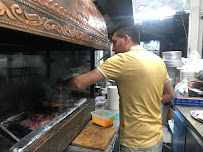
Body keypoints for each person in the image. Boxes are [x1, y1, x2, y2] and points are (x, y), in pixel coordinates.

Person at [56, 24, 175, 152]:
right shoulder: (158, 60)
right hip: (156, 139)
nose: (113, 48)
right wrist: (146, 102)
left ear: (126, 38)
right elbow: (170, 94)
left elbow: (79, 83)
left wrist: (62, 83)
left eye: (115, 42)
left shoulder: (121, 60)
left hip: (134, 143)